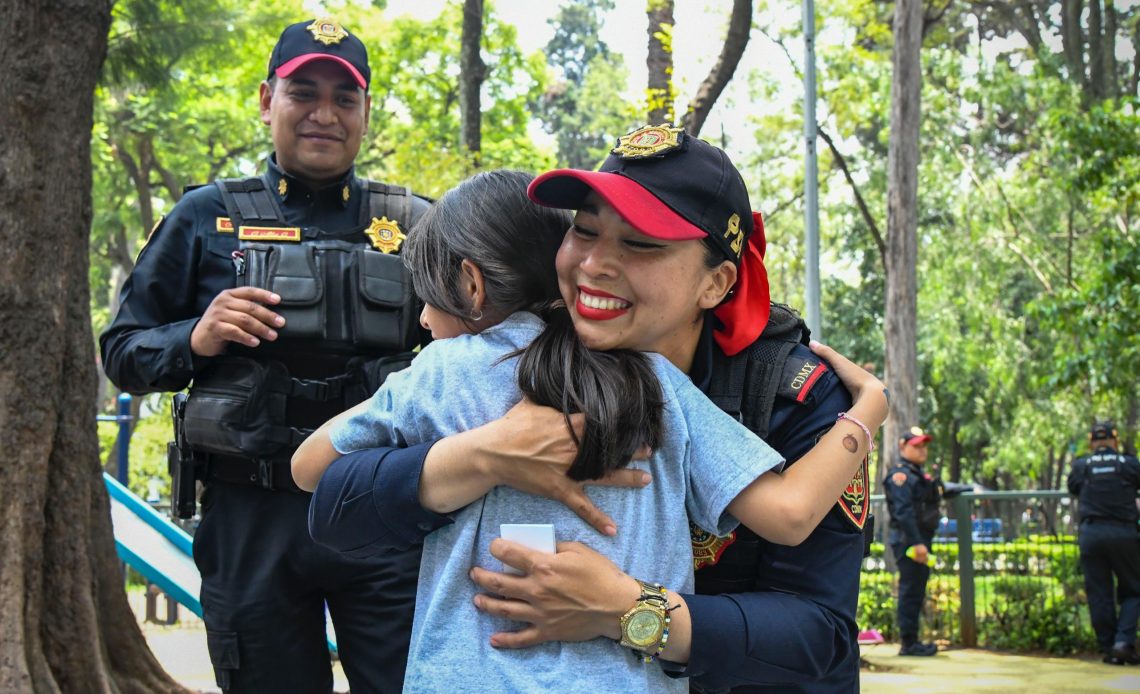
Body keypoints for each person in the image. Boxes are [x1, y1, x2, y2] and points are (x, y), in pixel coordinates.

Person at [306, 125, 886, 692]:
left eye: (640, 244)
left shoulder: (795, 396)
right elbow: (333, 506)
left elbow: (819, 635)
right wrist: (479, 457)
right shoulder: (479, 365)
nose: (593, 265)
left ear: (716, 284)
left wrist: (628, 610)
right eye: (584, 232)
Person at [100, 18, 433, 692]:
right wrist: (195, 337)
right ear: (265, 100)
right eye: (302, 92)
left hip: (379, 510)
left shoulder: (419, 226)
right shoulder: (203, 218)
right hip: (251, 513)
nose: (323, 114)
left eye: (345, 99)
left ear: (366, 111)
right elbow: (122, 352)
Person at [1067, 420, 1140, 665]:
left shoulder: (1081, 465)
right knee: (1134, 589)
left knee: (1099, 593)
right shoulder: (1128, 464)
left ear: (1091, 442)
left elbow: (1073, 488)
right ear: (1114, 441)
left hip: (1092, 533)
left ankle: (1110, 649)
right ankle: (1123, 642)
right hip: (1124, 534)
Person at [884, 425, 942, 657]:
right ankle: (909, 643)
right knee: (910, 591)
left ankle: (912, 640)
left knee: (917, 590)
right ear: (902, 446)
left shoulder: (918, 475)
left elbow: (938, 491)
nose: (922, 450)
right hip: (910, 540)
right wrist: (917, 544)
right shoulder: (900, 476)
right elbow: (903, 512)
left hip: (919, 539)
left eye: (924, 445)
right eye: (916, 446)